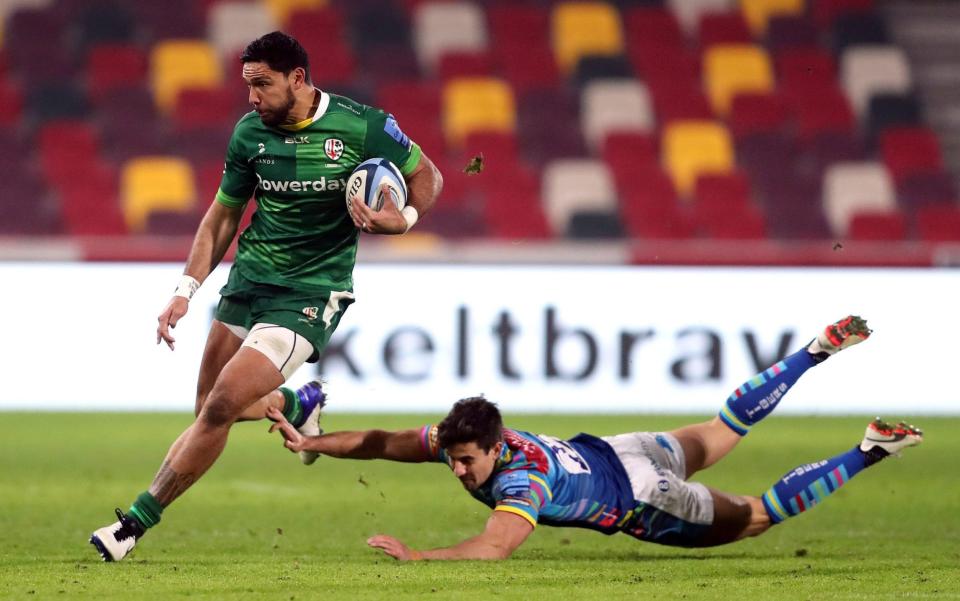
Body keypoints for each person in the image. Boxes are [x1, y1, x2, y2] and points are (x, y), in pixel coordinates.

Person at [90, 31, 444, 562]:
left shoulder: (362, 125)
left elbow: (427, 175)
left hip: (309, 293)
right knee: (207, 408)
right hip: (249, 282)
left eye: (262, 84)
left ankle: (133, 525)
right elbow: (223, 215)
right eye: (247, 85)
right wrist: (186, 289)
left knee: (221, 408)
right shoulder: (249, 133)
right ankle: (297, 402)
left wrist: (403, 219)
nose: (252, 97)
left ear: (297, 78)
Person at [267, 316, 923, 560]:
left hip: (646, 494)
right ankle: (809, 353)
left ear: (494, 448)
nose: (461, 471)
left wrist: (420, 556)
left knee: (754, 516)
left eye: (468, 463)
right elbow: (384, 441)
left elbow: (495, 546)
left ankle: (869, 448)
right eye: (455, 460)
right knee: (724, 427)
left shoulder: (520, 480)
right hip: (626, 447)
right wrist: (313, 443)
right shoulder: (463, 435)